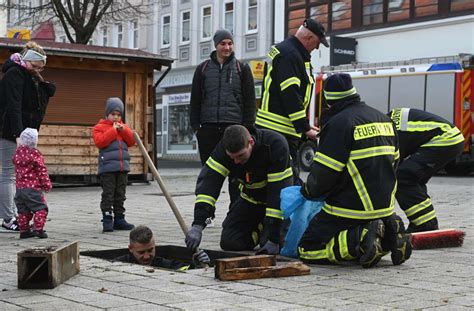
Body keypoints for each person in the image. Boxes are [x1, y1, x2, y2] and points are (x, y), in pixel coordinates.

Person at [298, 73, 412, 268]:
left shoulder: (339, 124)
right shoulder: (383, 119)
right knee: (373, 227)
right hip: (384, 206)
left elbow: (325, 172)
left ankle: (360, 239)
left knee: (308, 248)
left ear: (329, 99)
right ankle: (389, 235)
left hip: (349, 209)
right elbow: (395, 161)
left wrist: (309, 191)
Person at [185, 125, 293, 255]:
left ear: (251, 143)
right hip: (251, 199)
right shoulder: (222, 151)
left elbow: (277, 193)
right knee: (230, 242)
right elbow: (209, 184)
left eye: (241, 155)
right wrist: (198, 225)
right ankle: (261, 228)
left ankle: (270, 231)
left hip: (282, 204)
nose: (236, 161)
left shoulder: (275, 145)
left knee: (271, 244)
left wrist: (274, 238)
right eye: (232, 157)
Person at [190, 29, 256, 225]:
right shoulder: (202, 69)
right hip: (208, 130)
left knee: (237, 178)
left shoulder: (241, 68)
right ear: (216, 45)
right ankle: (207, 214)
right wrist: (196, 128)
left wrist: (247, 128)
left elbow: (250, 102)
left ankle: (235, 214)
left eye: (230, 43)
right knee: (210, 176)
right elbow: (194, 101)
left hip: (234, 130)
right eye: (223, 44)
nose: (227, 47)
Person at [256, 19, 329, 184]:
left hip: (277, 128)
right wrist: (303, 127)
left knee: (278, 179)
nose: (317, 48)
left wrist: (304, 125)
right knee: (287, 181)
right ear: (309, 38)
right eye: (317, 44)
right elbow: (290, 93)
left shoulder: (290, 52)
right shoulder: (291, 55)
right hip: (279, 130)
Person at [0, 41, 55, 232]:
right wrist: (17, 134)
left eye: (41, 67)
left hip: (20, 131)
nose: (37, 70)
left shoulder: (27, 74)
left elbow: (45, 93)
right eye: (35, 66)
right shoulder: (14, 74)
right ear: (27, 61)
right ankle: (8, 218)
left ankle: (13, 214)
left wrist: (38, 76)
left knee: (12, 175)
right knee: (8, 174)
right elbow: (13, 106)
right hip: (9, 129)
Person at [388, 108, 464, 233]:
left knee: (403, 178)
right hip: (452, 137)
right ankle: (428, 223)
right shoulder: (387, 123)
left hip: (445, 139)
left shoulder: (385, 135)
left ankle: (424, 225)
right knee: (413, 179)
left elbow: (386, 170)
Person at [92, 97, 136, 233]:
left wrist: (122, 130)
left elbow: (131, 141)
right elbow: (101, 142)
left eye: (118, 115)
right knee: (108, 194)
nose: (116, 118)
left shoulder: (123, 127)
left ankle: (119, 219)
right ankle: (107, 219)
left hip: (122, 168)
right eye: (113, 114)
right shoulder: (99, 128)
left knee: (120, 194)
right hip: (108, 168)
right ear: (107, 114)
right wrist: (113, 130)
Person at [114, 225, 210, 270]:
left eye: (150, 250)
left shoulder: (164, 264)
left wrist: (197, 266)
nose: (147, 256)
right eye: (141, 252)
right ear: (131, 248)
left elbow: (184, 269)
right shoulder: (118, 264)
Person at [13, 128, 51, 239]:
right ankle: (38, 229)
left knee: (23, 211)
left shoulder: (17, 153)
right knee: (41, 208)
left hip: (19, 189)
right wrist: (46, 184)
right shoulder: (34, 154)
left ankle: (24, 231)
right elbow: (41, 170)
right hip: (32, 188)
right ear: (34, 141)